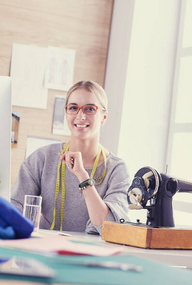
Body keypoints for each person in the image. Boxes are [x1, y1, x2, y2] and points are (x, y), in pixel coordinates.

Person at [11, 81, 130, 234]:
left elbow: (110, 227)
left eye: (90, 109)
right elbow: (15, 209)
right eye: (73, 108)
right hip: (46, 252)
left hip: (93, 256)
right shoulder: (42, 158)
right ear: (66, 113)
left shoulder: (116, 169)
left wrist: (82, 176)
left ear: (104, 117)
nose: (80, 116)